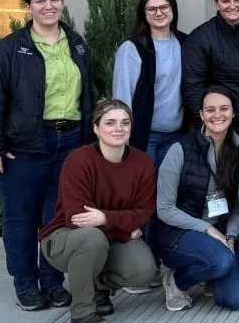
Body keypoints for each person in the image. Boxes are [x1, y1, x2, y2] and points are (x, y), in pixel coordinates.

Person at [0, 0, 93, 311]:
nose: (48, 6)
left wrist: (88, 140)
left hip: (70, 141)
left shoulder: (75, 42)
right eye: (40, 0)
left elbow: (86, 94)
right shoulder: (12, 47)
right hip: (25, 146)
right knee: (22, 218)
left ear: (62, 2)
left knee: (58, 216)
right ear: (29, 6)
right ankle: (27, 285)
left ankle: (53, 282)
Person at [39, 100, 157, 323]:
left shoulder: (143, 163)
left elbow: (143, 211)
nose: (118, 128)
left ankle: (96, 286)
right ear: (96, 128)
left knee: (144, 269)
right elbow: (77, 217)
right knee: (91, 238)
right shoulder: (78, 161)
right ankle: (83, 312)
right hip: (65, 237)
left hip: (103, 236)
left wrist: (105, 218)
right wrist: (123, 230)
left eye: (124, 123)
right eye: (110, 123)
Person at [153, 86, 239, 312]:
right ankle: (176, 281)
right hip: (179, 232)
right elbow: (164, 209)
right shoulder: (180, 149)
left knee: (234, 299)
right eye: (210, 109)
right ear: (201, 114)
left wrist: (232, 236)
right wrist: (207, 230)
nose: (218, 115)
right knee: (221, 262)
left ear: (233, 113)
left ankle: (211, 270)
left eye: (224, 108)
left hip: (221, 232)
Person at [113, 0, 187, 163]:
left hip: (177, 135)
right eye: (151, 9)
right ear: (143, 13)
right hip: (145, 136)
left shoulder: (186, 43)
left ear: (173, 9)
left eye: (164, 7)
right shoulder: (132, 48)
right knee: (145, 188)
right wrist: (123, 134)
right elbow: (122, 97)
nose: (158, 13)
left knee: (170, 189)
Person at [182, 0, 239, 138]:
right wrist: (210, 128)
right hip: (219, 130)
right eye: (225, 1)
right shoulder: (200, 38)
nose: (232, 6)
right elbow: (192, 89)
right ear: (216, 4)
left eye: (238, 0)